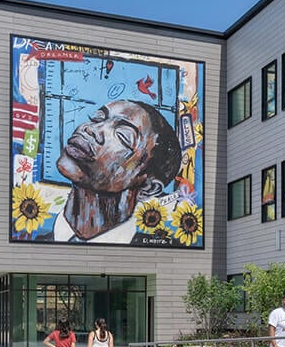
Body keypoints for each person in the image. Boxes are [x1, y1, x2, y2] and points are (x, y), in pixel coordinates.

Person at [43, 99, 183, 243]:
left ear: (148, 187)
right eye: (97, 118)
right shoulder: (37, 240)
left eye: (123, 136)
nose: (91, 129)